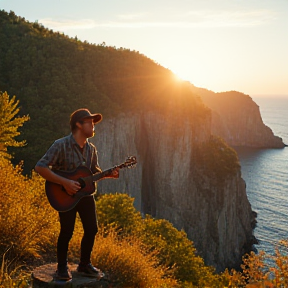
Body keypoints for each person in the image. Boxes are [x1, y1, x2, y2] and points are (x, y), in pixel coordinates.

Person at [35, 108, 119, 281]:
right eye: (90, 122)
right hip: (64, 195)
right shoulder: (61, 145)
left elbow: (93, 173)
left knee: (92, 229)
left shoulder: (91, 149)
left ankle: (84, 264)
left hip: (85, 196)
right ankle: (61, 267)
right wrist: (65, 182)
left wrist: (107, 174)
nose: (94, 126)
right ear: (79, 125)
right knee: (66, 231)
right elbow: (40, 167)